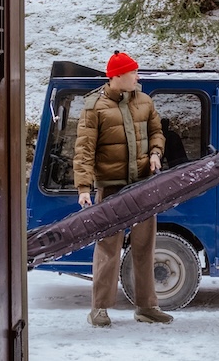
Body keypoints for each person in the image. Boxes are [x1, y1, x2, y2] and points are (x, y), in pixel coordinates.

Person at [73, 50, 174, 328]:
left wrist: (155, 153)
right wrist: (84, 187)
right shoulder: (94, 107)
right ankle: (99, 309)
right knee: (108, 248)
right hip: (111, 189)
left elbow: (157, 132)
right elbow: (84, 151)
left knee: (145, 247)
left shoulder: (145, 101)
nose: (137, 77)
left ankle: (147, 307)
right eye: (133, 73)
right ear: (117, 76)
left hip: (143, 186)